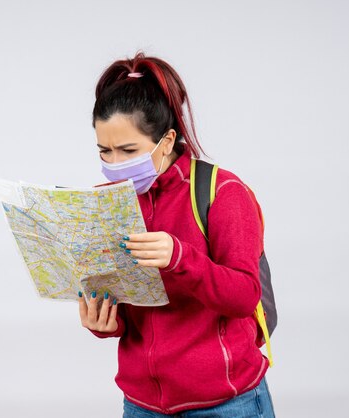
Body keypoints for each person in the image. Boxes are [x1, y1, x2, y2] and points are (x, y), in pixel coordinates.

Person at [78, 52, 276, 417]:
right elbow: (130, 312)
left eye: (128, 150)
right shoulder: (109, 204)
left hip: (227, 404)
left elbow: (245, 297)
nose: (115, 165)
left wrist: (179, 258)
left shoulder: (223, 192)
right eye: (105, 151)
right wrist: (104, 321)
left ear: (167, 141)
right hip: (142, 405)